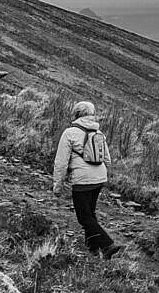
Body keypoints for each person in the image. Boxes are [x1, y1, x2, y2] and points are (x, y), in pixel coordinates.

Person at [52, 100, 123, 259]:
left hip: (82, 179)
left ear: (76, 114)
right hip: (99, 177)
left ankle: (107, 244)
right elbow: (108, 159)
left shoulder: (69, 133)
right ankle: (93, 248)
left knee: (83, 217)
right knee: (90, 213)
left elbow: (61, 163)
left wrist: (57, 186)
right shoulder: (99, 133)